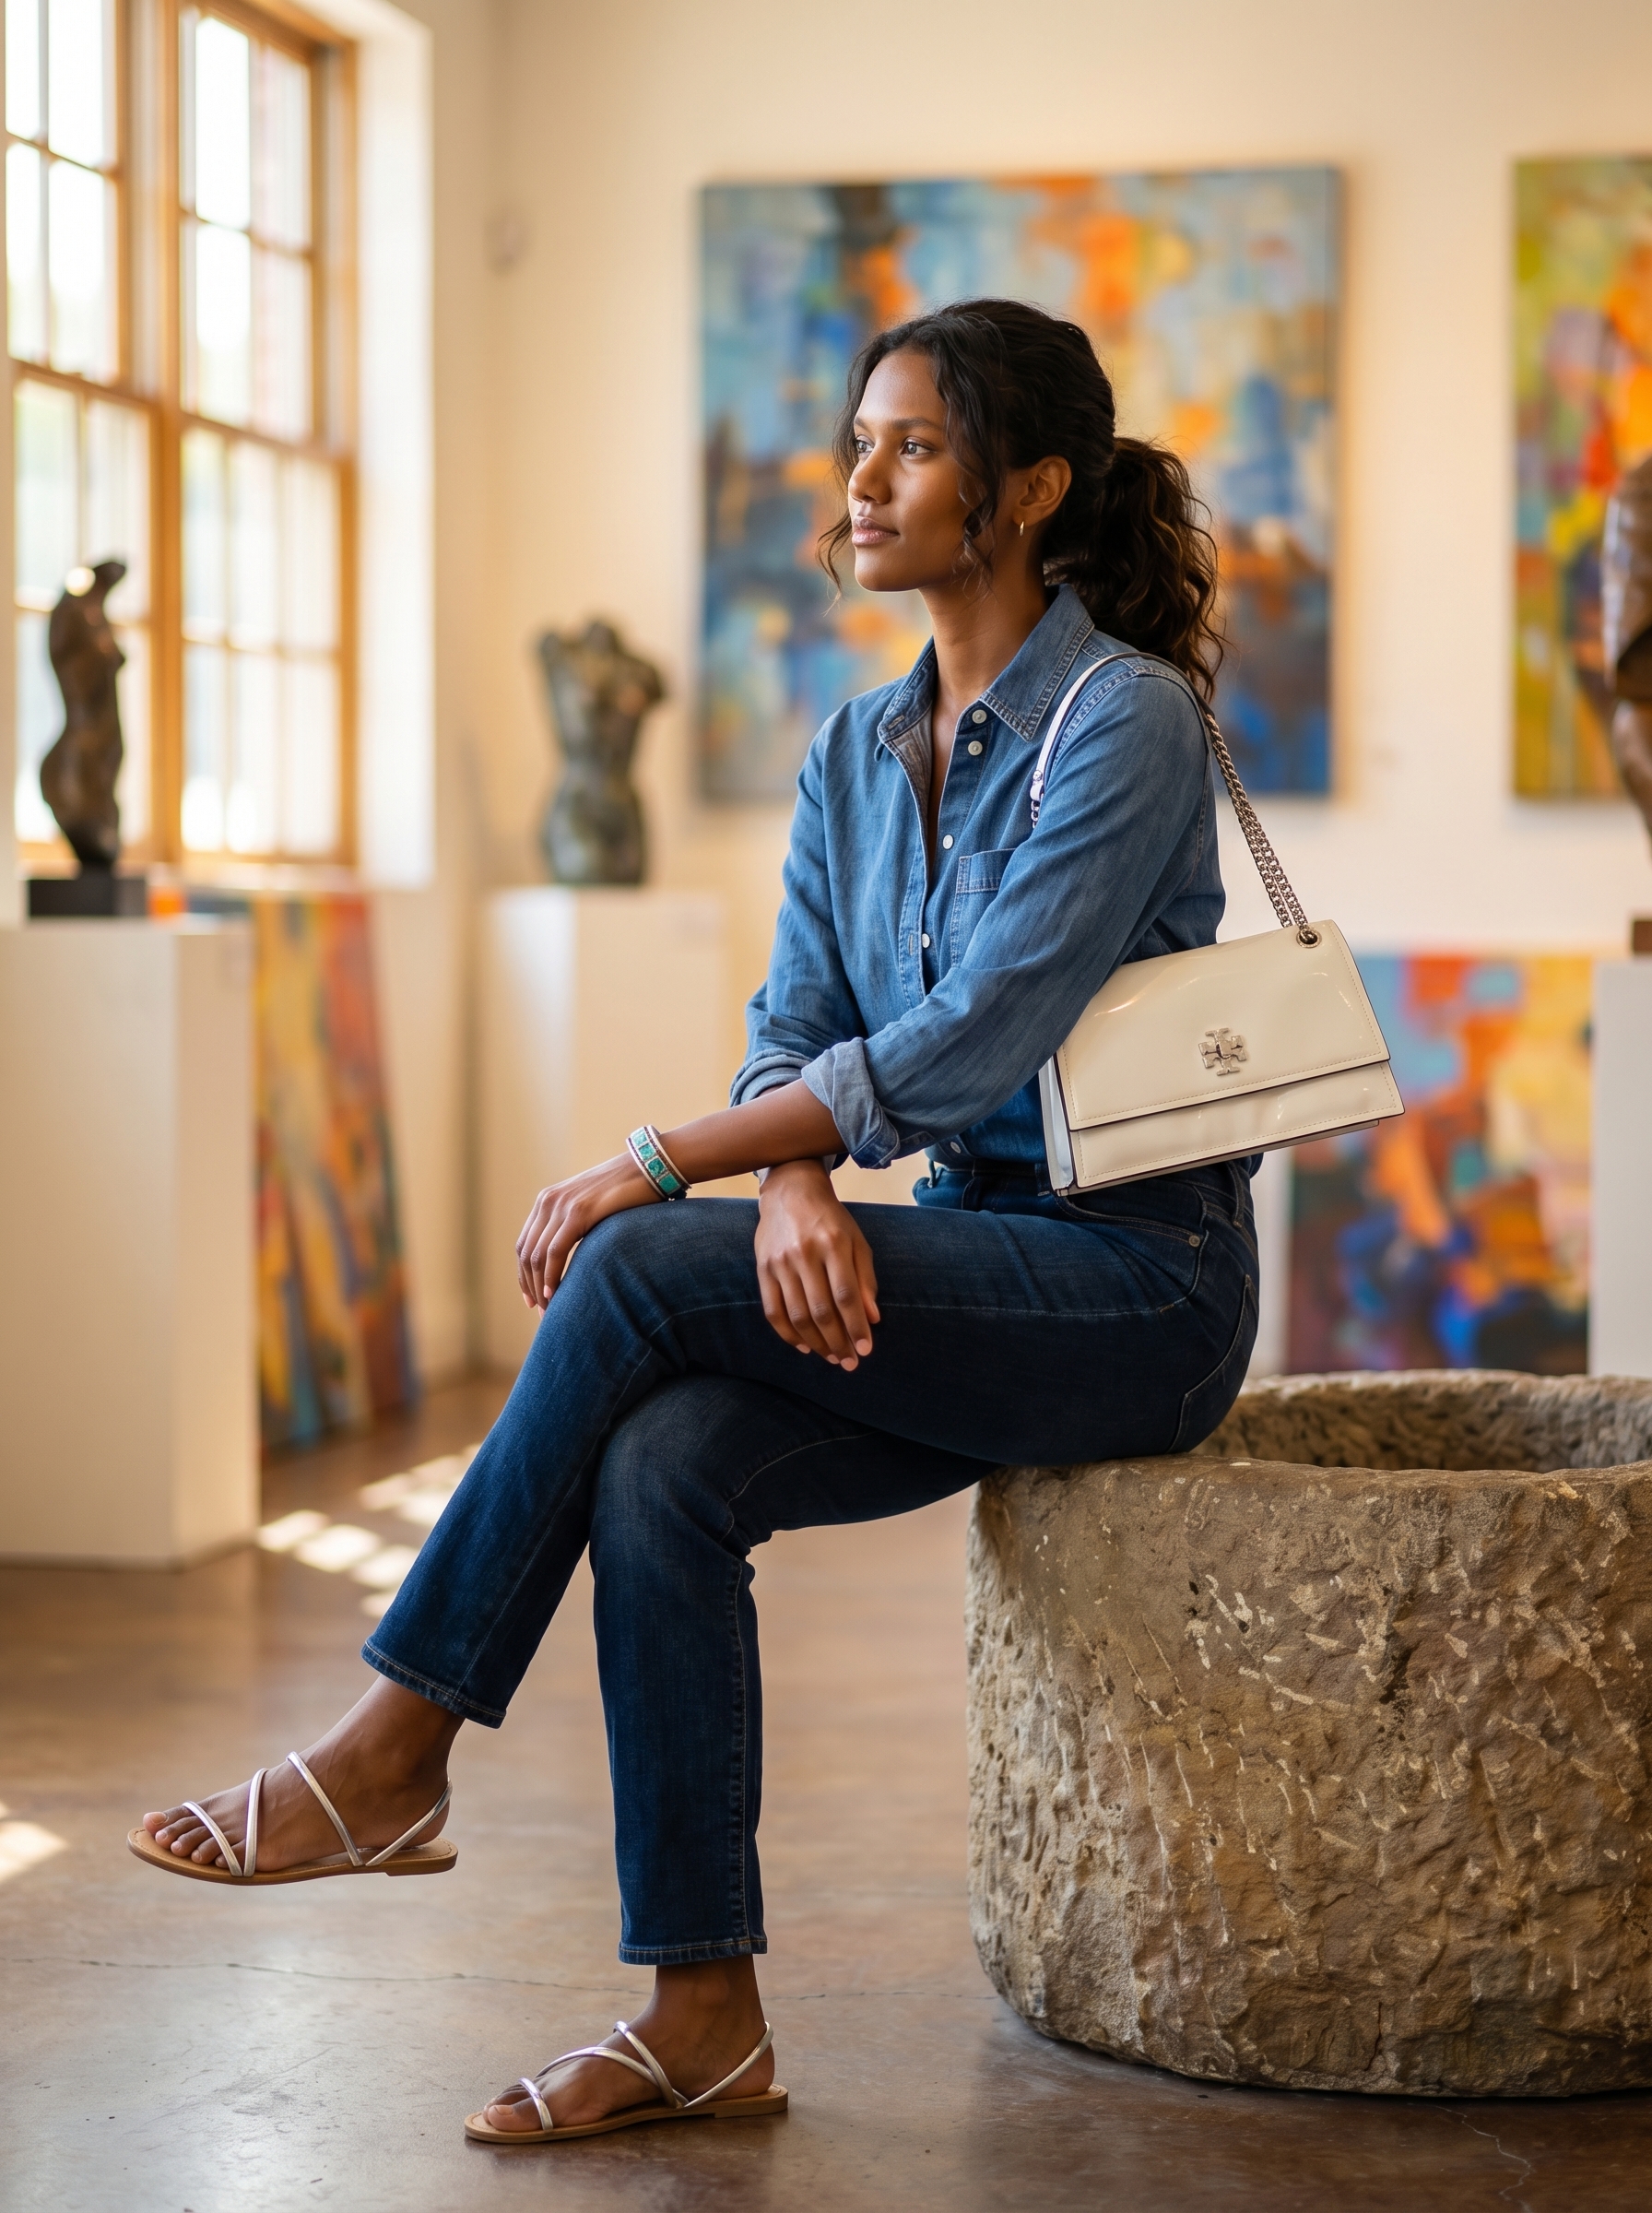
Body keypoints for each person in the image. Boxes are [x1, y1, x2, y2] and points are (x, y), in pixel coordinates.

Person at [132, 298, 1258, 2145]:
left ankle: (397, 1745)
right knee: (664, 1466)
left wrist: (667, 1164)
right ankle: (702, 2017)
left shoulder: (1121, 720)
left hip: (1136, 1284)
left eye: (912, 445)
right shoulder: (852, 744)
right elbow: (802, 1020)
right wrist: (794, 1176)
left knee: (644, 1256)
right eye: (856, 440)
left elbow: (977, 1032)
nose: (860, 478)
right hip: (959, 1248)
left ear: (1032, 488)